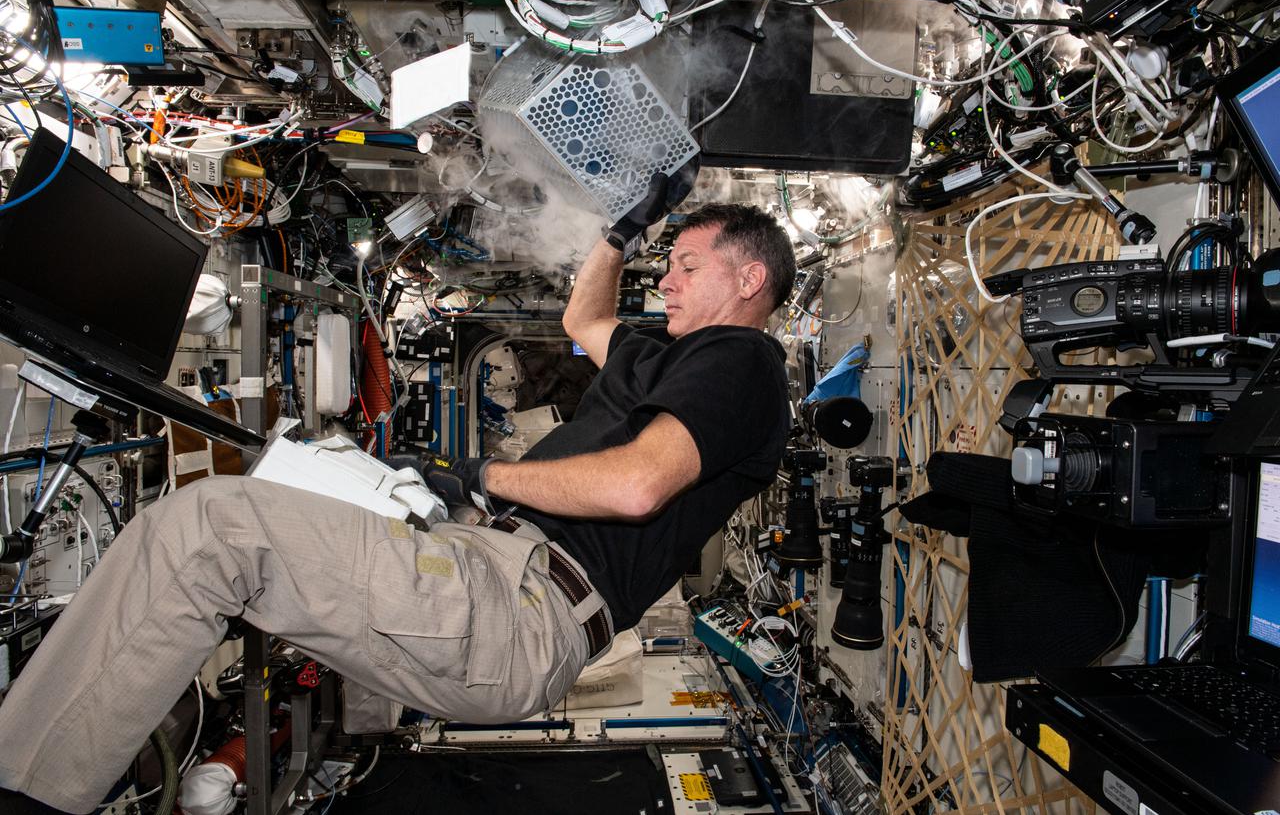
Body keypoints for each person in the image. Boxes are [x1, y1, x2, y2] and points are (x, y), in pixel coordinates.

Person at [0, 171, 797, 814]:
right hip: (493, 564)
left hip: (525, 606)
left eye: (688, 267)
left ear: (750, 277)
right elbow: (581, 313)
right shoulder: (659, 354)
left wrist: (481, 476)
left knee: (209, 531)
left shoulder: (742, 362)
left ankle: (25, 789)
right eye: (669, 266)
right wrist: (619, 234)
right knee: (283, 483)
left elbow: (635, 485)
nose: (668, 281)